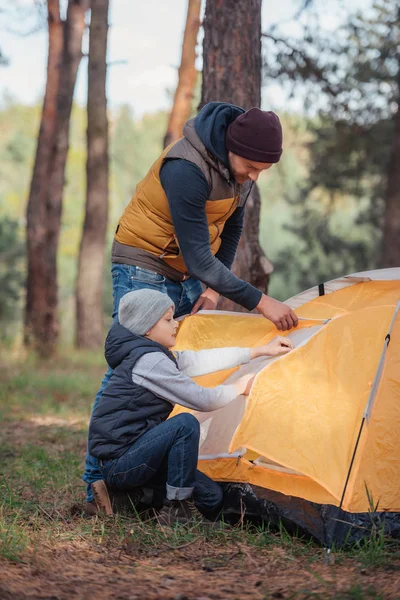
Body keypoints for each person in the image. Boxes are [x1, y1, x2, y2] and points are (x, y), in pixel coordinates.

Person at [83, 100, 298, 512]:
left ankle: (144, 479)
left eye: (261, 171)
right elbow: (201, 258)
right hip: (143, 263)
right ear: (231, 147)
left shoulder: (241, 167)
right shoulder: (186, 168)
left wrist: (214, 290)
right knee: (128, 368)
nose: (253, 177)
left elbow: (231, 230)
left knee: (172, 358)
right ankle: (97, 485)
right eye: (250, 167)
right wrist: (259, 302)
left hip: (183, 269)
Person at [88, 289, 294, 524]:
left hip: (138, 456)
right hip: (122, 464)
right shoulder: (149, 362)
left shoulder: (154, 355)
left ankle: (127, 498)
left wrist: (260, 350)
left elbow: (199, 360)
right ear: (147, 328)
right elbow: (203, 400)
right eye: (167, 320)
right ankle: (176, 510)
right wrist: (239, 387)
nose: (175, 324)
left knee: (210, 497)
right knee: (184, 424)